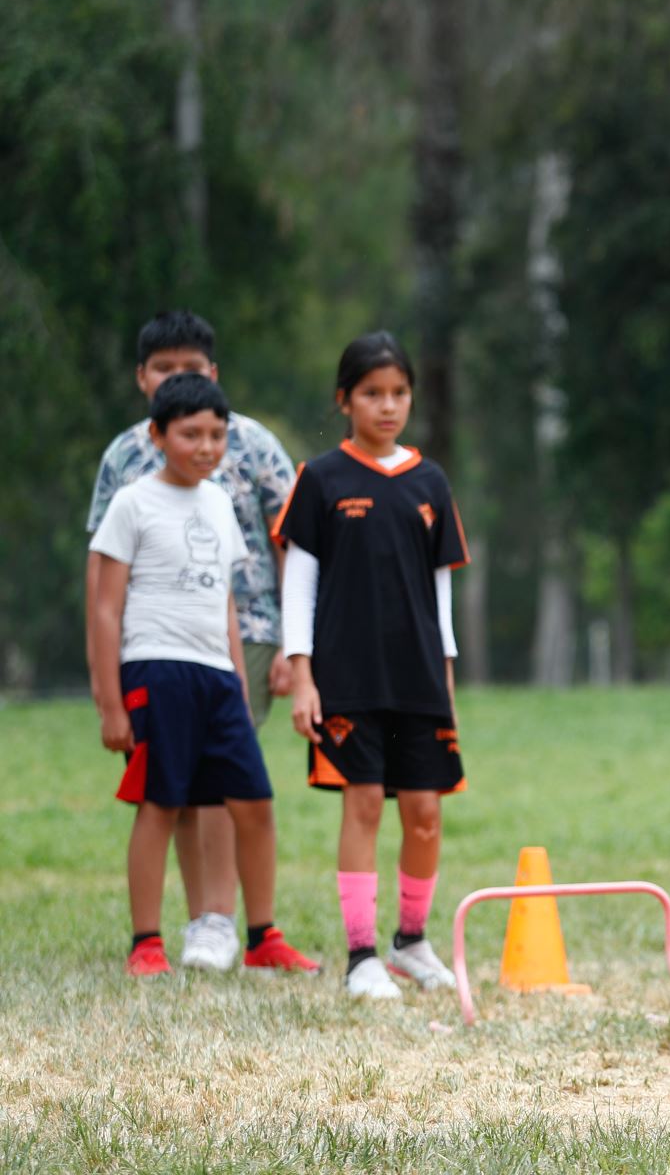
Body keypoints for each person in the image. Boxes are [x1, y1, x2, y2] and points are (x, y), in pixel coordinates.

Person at [85, 309, 299, 973]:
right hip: (157, 667)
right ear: (157, 432)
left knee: (252, 800)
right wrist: (110, 703)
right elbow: (102, 602)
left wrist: (247, 670)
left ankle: (259, 935)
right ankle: (149, 940)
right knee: (165, 800)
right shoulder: (131, 494)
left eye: (215, 435)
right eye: (191, 435)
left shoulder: (220, 494)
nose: (206, 446)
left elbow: (229, 598)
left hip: (222, 670)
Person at [275, 332, 470, 1000]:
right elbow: (298, 585)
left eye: (399, 393)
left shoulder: (430, 481)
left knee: (424, 813)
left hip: (418, 677)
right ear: (344, 400)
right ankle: (361, 957)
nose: (388, 406)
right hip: (346, 678)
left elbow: (440, 592)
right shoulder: (321, 479)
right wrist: (301, 673)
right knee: (361, 806)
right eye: (372, 394)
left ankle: (411, 942)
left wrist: (446, 676)